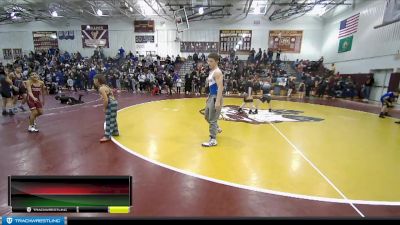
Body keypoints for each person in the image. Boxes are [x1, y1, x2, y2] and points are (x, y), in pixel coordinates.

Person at [202, 53, 223, 147]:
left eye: (211, 61)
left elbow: (220, 87)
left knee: (212, 119)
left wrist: (218, 101)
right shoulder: (211, 72)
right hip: (212, 96)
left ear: (216, 61)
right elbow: (212, 86)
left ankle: (213, 139)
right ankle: (217, 127)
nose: (209, 63)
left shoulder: (217, 72)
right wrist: (209, 96)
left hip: (215, 97)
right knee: (206, 116)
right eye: (208, 60)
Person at [94, 74, 119, 142]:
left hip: (110, 104)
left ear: (98, 81)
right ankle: (115, 132)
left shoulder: (101, 88)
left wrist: (105, 108)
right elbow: (111, 94)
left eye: (94, 80)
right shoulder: (106, 86)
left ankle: (107, 136)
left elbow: (106, 100)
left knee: (108, 119)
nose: (94, 82)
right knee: (113, 118)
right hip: (114, 103)